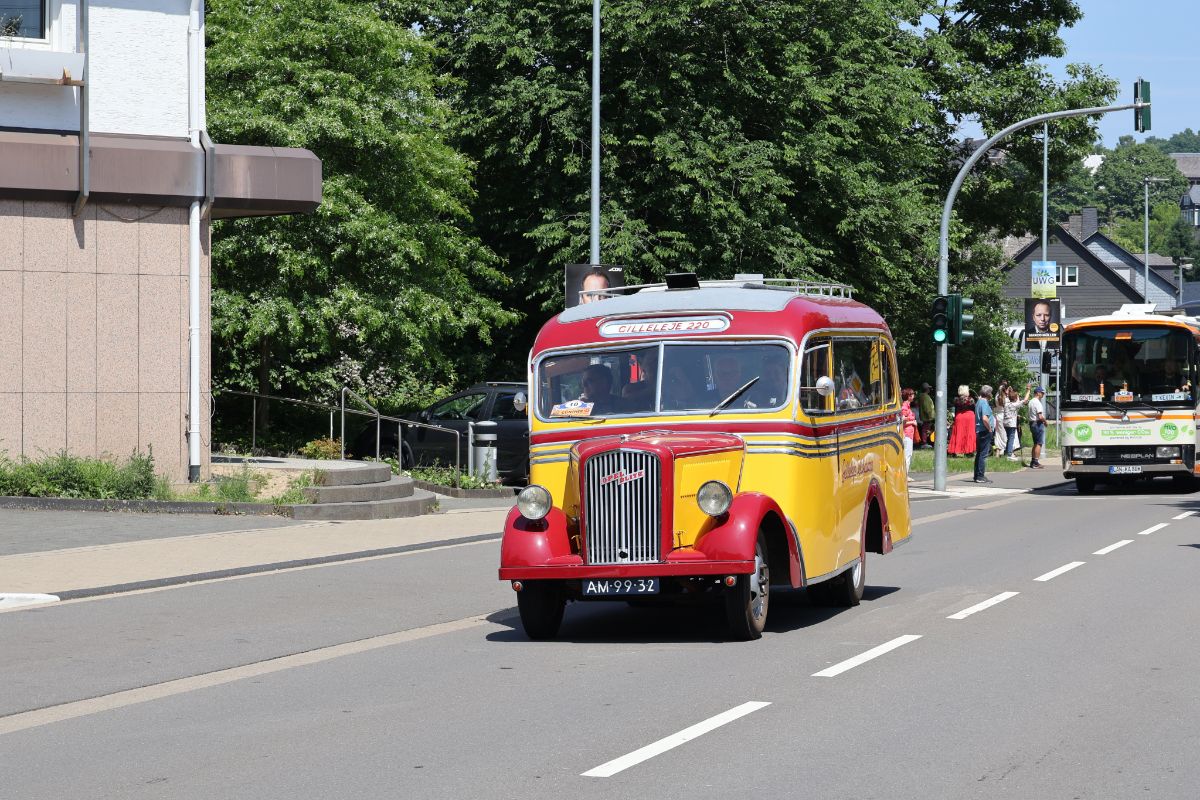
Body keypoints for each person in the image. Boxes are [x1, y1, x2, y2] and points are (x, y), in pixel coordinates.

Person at [1001, 385, 1031, 460]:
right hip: (1011, 424)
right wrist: (1028, 391)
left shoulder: (1007, 403)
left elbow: (1008, 395)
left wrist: (1009, 391)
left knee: (1008, 438)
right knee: (1011, 438)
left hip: (1005, 423)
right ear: (1015, 398)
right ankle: (1009, 454)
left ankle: (1006, 452)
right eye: (1017, 397)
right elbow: (1025, 400)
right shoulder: (1014, 405)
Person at [973, 385, 995, 483]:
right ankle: (980, 476)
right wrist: (990, 429)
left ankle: (976, 475)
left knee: (979, 453)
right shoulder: (984, 403)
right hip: (984, 430)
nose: (992, 395)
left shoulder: (978, 402)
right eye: (991, 392)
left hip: (978, 430)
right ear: (988, 393)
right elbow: (985, 418)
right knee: (983, 454)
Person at [948, 385, 976, 457]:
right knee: (969, 434)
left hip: (959, 417)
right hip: (969, 417)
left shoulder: (956, 400)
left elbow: (956, 409)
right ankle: (969, 451)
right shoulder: (971, 400)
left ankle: (954, 451)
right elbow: (973, 408)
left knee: (958, 433)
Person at [1027, 386, 1047, 469]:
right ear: (1038, 393)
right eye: (1042, 393)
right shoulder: (1037, 402)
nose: (1043, 394)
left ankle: (1033, 461)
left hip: (1032, 423)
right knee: (1039, 443)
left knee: (1035, 443)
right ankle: (1035, 462)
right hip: (1038, 423)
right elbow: (1040, 416)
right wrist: (1045, 422)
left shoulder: (1031, 401)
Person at [900, 388, 918, 478]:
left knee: (907, 454)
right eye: (912, 394)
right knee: (907, 455)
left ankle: (904, 474)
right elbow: (902, 421)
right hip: (906, 434)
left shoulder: (907, 406)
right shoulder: (905, 407)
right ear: (909, 396)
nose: (914, 396)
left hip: (909, 434)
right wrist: (912, 422)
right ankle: (905, 476)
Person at [918, 383, 935, 447]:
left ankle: (926, 442)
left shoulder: (922, 396)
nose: (930, 389)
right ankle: (924, 443)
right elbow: (927, 408)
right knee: (925, 430)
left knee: (926, 429)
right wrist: (930, 416)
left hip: (925, 416)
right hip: (927, 417)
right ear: (927, 389)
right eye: (929, 388)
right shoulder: (925, 397)